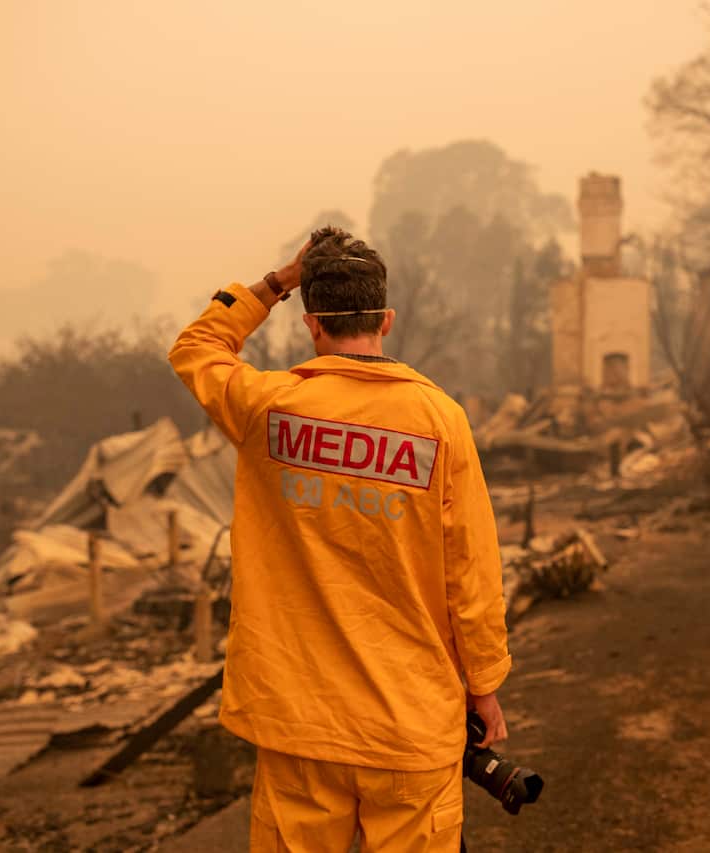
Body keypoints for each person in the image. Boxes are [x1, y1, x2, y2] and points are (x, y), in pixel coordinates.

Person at [169, 226, 510, 852]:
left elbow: (197, 346)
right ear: (386, 318)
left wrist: (276, 282)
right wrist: (483, 686)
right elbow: (473, 571)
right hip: (411, 726)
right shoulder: (440, 420)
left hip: (300, 725)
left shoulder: (268, 408)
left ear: (311, 325)